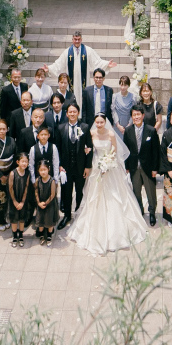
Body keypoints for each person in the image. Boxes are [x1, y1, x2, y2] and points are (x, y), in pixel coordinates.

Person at [69, 114, 148, 255]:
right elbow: (86, 147)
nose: (99, 124)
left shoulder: (111, 134)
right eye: (97, 122)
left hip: (109, 167)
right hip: (96, 166)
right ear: (94, 122)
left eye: (101, 122)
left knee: (115, 196)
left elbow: (114, 151)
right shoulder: (91, 133)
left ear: (105, 122)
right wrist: (89, 153)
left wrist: (108, 162)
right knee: (94, 196)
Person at [45, 30, 116, 110]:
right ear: (72, 40)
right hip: (72, 84)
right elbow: (58, 64)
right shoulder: (67, 52)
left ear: (81, 39)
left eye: (78, 39)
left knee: (84, 100)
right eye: (75, 39)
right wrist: (49, 69)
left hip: (84, 83)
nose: (77, 41)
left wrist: (106, 64)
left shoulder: (88, 50)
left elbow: (97, 62)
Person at [56, 102, 92, 228]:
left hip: (80, 167)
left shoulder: (85, 127)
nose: (72, 114)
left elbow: (90, 148)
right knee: (66, 192)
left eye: (74, 111)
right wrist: (59, 166)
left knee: (79, 192)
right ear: (66, 113)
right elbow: (58, 149)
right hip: (66, 168)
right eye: (70, 112)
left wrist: (88, 167)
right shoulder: (61, 128)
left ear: (78, 113)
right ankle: (67, 215)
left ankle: (79, 214)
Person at [124, 104, 160, 225]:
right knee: (136, 191)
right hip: (134, 167)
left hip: (148, 167)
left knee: (150, 192)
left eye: (138, 114)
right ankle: (140, 210)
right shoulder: (128, 131)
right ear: (132, 117)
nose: (136, 117)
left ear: (143, 115)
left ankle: (152, 213)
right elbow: (126, 150)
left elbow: (156, 151)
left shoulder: (151, 130)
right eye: (134, 115)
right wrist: (127, 167)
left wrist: (155, 168)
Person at [8, 153, 31, 247]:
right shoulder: (13, 173)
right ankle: (14, 236)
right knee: (14, 219)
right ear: (18, 162)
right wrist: (15, 201)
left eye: (26, 161)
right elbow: (10, 187)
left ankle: (21, 235)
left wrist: (22, 202)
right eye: (22, 161)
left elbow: (26, 187)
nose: (24, 164)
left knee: (22, 218)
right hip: (14, 199)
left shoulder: (27, 173)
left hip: (22, 200)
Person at [34, 158, 58, 247]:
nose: (43, 172)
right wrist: (39, 202)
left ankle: (49, 236)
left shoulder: (52, 181)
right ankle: (41, 235)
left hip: (49, 204)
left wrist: (45, 203)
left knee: (49, 220)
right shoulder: (38, 180)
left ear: (48, 169)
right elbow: (36, 191)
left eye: (45, 169)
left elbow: (52, 195)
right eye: (41, 170)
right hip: (40, 203)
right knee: (40, 220)